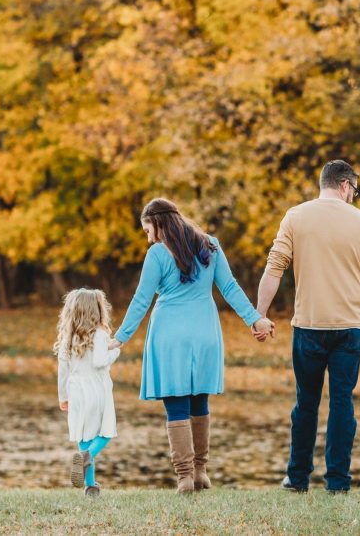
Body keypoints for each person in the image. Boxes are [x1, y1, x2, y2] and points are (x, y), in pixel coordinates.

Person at [108, 198, 275, 493]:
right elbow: (230, 287)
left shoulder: (158, 254)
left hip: (169, 335)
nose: (148, 237)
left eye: (147, 230)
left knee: (176, 405)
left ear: (158, 223)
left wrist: (120, 337)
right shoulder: (210, 245)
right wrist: (255, 319)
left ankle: (184, 476)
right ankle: (201, 472)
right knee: (199, 402)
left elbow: (141, 300)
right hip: (205, 333)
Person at [254, 159, 360, 494]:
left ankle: (297, 478)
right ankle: (337, 482)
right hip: (351, 327)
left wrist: (259, 314)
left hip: (309, 326)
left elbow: (274, 267)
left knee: (306, 403)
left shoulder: (295, 216)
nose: (354, 196)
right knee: (343, 402)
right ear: (343, 185)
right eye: (354, 189)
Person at [55, 287, 121, 498]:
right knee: (105, 432)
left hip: (76, 391)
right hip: (97, 389)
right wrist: (116, 351)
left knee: (84, 435)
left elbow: (62, 370)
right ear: (98, 310)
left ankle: (90, 486)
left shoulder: (68, 337)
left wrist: (62, 397)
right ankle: (88, 457)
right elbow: (100, 361)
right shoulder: (100, 333)